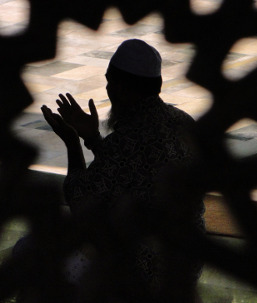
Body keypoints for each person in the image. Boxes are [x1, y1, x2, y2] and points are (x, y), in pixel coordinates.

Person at [41, 39, 205, 301]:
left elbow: (80, 201)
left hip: (141, 275)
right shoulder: (183, 123)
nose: (107, 89)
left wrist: (73, 142)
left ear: (122, 88)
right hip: (184, 267)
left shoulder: (127, 139)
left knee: (34, 254)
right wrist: (93, 138)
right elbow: (133, 171)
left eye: (110, 82)